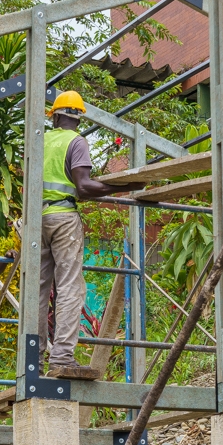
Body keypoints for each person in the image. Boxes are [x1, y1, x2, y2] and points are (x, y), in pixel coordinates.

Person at [40, 91, 145, 377]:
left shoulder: (39, 139)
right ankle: (61, 356)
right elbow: (84, 187)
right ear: (79, 117)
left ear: (55, 115)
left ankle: (33, 358)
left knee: (37, 290)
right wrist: (123, 185)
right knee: (70, 287)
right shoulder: (77, 142)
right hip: (63, 218)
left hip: (37, 217)